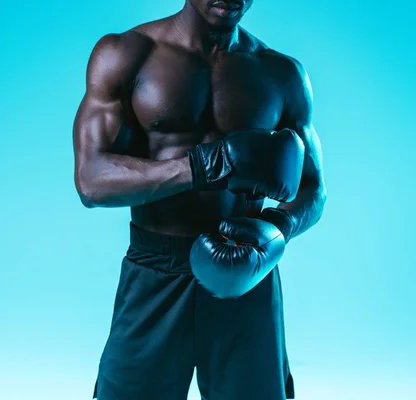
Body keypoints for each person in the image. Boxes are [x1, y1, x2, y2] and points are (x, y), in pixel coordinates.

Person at [73, 0, 327, 399]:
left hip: (247, 270)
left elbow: (314, 189)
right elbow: (91, 180)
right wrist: (206, 165)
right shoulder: (127, 54)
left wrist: (275, 231)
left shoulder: (282, 74)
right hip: (156, 270)